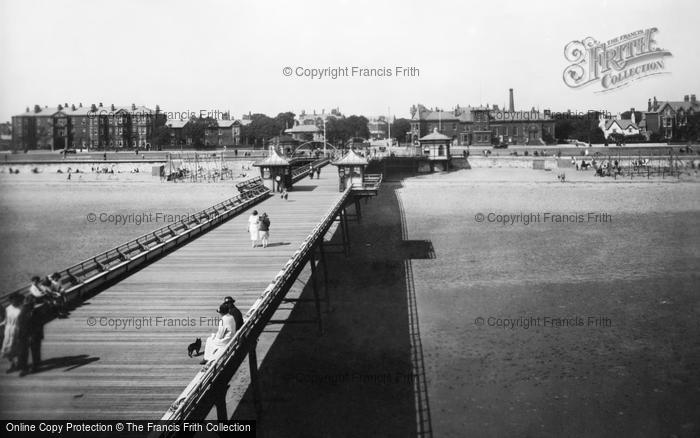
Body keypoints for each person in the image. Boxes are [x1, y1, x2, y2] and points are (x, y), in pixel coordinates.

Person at [1, 294, 28, 374]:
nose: (13, 302)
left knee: (18, 349)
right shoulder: (7, 309)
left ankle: (22, 366)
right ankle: (13, 364)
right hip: (8, 330)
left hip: (17, 330)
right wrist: (1, 324)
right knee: (7, 349)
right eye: (12, 300)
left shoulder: (22, 308)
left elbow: (25, 321)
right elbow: (6, 320)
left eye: (15, 300)